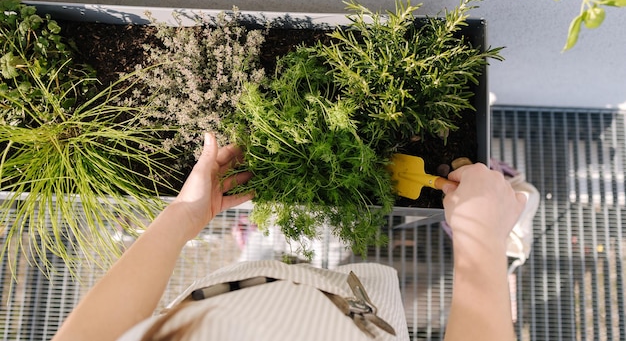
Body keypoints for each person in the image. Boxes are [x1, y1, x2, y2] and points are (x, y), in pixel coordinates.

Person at [51, 133, 526, 341]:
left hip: (235, 288)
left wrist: (184, 215)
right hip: (359, 313)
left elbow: (93, 332)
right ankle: (326, 251)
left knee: (261, 259)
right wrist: (481, 242)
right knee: (345, 267)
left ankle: (264, 248)